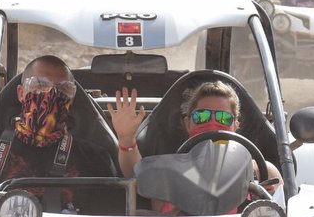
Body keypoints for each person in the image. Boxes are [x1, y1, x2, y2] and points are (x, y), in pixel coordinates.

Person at [0, 54, 117, 211]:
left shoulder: (92, 157)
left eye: (63, 89)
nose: (50, 93)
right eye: (41, 85)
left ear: (71, 99)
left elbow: (112, 216)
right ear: (21, 93)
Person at [110, 80, 281, 189]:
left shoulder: (261, 171)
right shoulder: (168, 169)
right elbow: (135, 175)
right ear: (187, 123)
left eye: (223, 117)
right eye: (202, 116)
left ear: (235, 125)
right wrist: (126, 138)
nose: (212, 123)